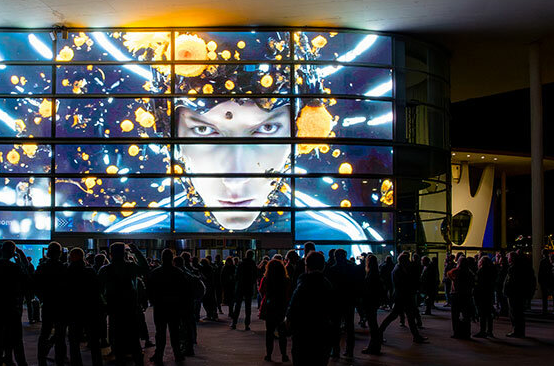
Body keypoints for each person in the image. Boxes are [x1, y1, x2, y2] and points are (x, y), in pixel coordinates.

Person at [104, 33, 384, 252]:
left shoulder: (340, 238)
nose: (235, 179)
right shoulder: (126, 239)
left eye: (267, 128)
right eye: (204, 130)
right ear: (171, 137)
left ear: (300, 131)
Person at [286, 250, 334, 366]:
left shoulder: (303, 284)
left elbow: (293, 310)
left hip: (304, 336)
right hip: (323, 336)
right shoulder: (327, 284)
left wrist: (289, 327)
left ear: (307, 265)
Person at [98, 242, 148, 366]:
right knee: (134, 340)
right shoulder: (131, 267)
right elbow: (145, 268)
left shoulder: (105, 269)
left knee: (117, 341)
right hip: (130, 308)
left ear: (111, 254)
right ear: (125, 253)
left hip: (114, 309)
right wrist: (136, 251)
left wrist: (104, 304)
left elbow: (98, 290)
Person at [65, 247, 105, 366]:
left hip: (74, 312)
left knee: (74, 345)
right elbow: (98, 290)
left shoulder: (68, 272)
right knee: (95, 345)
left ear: (71, 257)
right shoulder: (90, 271)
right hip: (91, 311)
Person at [34, 241, 70, 366]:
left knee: (44, 334)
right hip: (61, 305)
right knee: (60, 336)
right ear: (59, 253)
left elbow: (36, 285)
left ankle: (41, 364)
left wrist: (43, 298)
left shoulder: (42, 267)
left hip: (48, 304)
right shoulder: (63, 267)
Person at [146, 248, 188, 364]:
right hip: (174, 306)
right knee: (175, 332)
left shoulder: (156, 272)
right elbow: (184, 290)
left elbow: (149, 289)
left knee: (160, 332)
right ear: (172, 258)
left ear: (162, 258)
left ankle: (159, 355)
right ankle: (177, 354)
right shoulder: (178, 272)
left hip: (160, 306)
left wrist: (153, 301)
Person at [377, 253, 427, 345]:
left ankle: (379, 333)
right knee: (401, 316)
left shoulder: (398, 269)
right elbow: (403, 284)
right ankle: (379, 333)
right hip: (402, 297)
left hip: (401, 297)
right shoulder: (399, 270)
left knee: (398, 316)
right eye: (407, 260)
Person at [259, 257, 291, 362]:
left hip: (269, 307)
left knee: (269, 332)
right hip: (281, 307)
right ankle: (284, 355)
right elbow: (288, 293)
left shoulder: (266, 279)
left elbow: (261, 290)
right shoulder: (285, 280)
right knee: (282, 333)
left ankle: (269, 354)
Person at [504, 250, 536, 338]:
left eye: (508, 257)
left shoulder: (514, 268)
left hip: (514, 294)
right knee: (518, 313)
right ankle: (519, 331)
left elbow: (512, 282)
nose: (507, 259)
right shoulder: (524, 267)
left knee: (515, 313)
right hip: (518, 293)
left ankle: (517, 331)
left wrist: (508, 290)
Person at [360, 254, 385, 354]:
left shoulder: (370, 275)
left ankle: (374, 346)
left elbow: (367, 290)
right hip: (374, 302)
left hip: (369, 302)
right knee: (373, 324)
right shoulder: (376, 274)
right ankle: (375, 346)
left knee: (372, 325)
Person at [447, 256, 475, 339]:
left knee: (455, 315)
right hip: (466, 295)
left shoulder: (456, 271)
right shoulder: (469, 273)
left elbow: (448, 274)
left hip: (456, 295)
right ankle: (467, 333)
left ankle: (456, 332)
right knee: (466, 316)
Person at [232, 250, 258, 330]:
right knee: (248, 307)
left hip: (241, 286)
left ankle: (234, 322)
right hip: (249, 287)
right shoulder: (253, 264)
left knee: (238, 305)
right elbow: (255, 275)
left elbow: (237, 276)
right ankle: (247, 324)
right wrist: (252, 282)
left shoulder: (241, 263)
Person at [474, 255, 497, 338]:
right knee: (488, 314)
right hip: (489, 294)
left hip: (481, 294)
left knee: (482, 314)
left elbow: (477, 284)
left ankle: (482, 331)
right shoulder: (492, 271)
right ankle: (489, 331)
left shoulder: (480, 271)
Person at [538, 252, 554, 316]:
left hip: (544, 281)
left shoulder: (543, 261)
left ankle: (545, 310)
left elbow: (540, 272)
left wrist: (540, 281)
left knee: (544, 297)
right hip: (551, 281)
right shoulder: (550, 261)